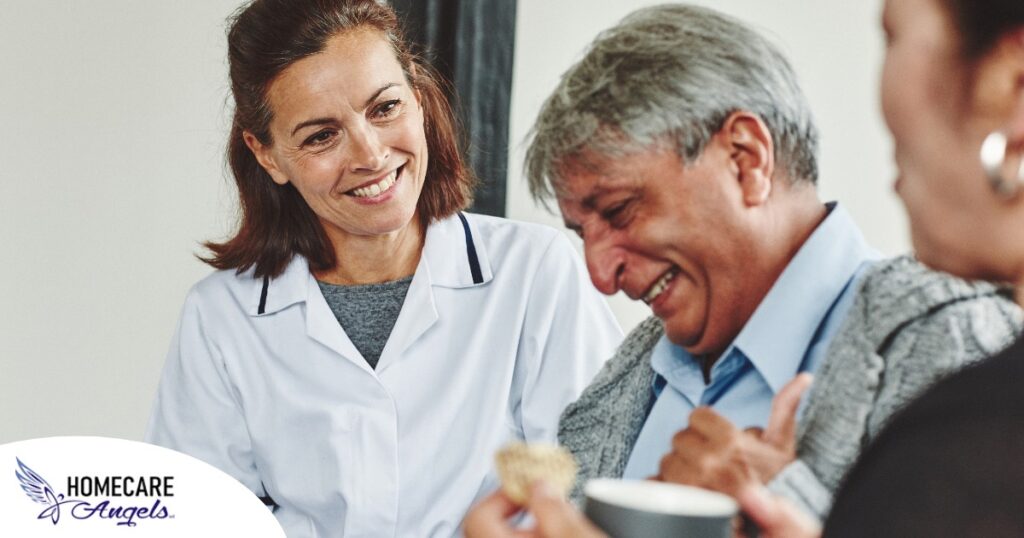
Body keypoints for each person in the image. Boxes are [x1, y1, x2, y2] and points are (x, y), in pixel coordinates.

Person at [465, 0, 1024, 536]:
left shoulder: (958, 344)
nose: (599, 275)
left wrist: (781, 508)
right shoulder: (622, 384)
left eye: (619, 211)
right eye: (582, 233)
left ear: (746, 159)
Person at [143, 0, 623, 536]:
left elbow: (595, 489)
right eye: (321, 135)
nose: (370, 155)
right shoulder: (221, 316)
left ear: (417, 100)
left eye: (384, 108)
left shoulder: (537, 272)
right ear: (268, 155)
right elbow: (199, 520)